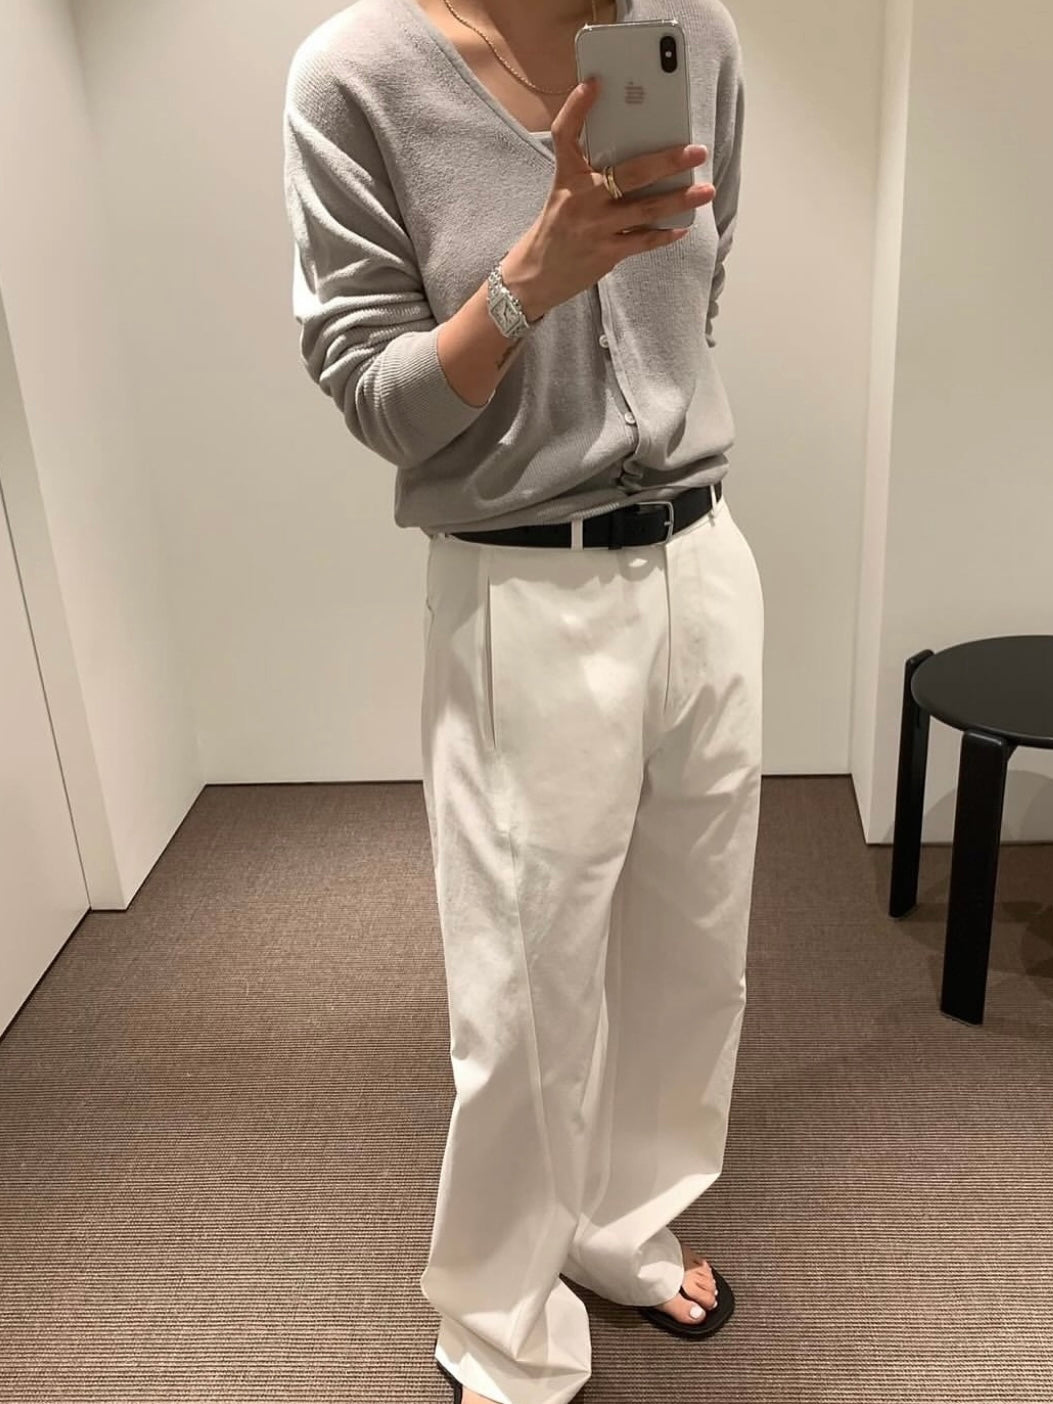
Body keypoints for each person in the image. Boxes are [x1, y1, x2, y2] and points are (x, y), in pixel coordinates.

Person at [283, 0, 761, 1400]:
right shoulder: (357, 75)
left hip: (704, 560)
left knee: (692, 951)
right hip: (521, 582)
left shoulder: (694, 34)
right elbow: (373, 394)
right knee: (525, 992)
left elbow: (705, 289)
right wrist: (524, 286)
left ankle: (624, 1226)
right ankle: (496, 1324)